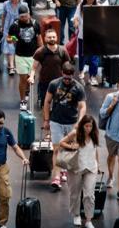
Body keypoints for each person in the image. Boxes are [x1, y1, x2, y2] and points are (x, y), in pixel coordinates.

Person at [44, 62, 87, 191]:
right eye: (65, 77)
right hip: (56, 121)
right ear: (62, 73)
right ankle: (56, 177)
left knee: (69, 150)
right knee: (57, 148)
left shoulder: (78, 88)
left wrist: (79, 122)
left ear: (73, 75)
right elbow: (47, 101)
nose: (67, 80)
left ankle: (64, 169)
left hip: (71, 122)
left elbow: (82, 106)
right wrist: (46, 120)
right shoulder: (54, 84)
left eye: (70, 77)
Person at [55, 115, 101, 228]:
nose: (89, 128)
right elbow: (61, 143)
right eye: (86, 126)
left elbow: (95, 150)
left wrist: (98, 165)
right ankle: (76, 215)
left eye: (91, 126)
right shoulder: (75, 134)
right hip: (75, 167)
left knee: (89, 195)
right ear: (82, 126)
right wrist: (72, 147)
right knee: (75, 194)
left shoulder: (94, 135)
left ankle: (89, 219)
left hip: (91, 168)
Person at [10, 2, 40, 110]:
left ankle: (26, 92)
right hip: (20, 56)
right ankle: (22, 100)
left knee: (30, 78)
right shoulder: (15, 25)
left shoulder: (35, 24)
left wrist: (41, 53)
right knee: (22, 79)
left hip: (33, 56)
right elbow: (9, 39)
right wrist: (15, 39)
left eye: (25, 16)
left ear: (29, 14)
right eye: (21, 16)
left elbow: (39, 39)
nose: (24, 18)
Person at [32, 29, 71, 111]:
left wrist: (68, 76)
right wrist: (31, 76)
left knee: (59, 104)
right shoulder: (40, 51)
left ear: (56, 38)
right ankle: (45, 120)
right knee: (45, 104)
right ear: (45, 39)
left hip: (59, 82)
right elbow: (34, 67)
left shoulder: (62, 50)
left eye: (53, 37)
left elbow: (67, 66)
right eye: (49, 37)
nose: (52, 39)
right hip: (44, 82)